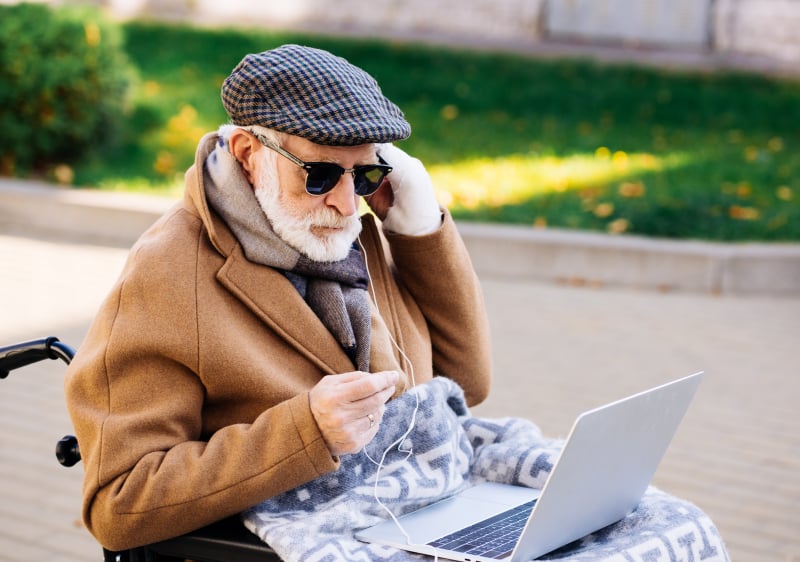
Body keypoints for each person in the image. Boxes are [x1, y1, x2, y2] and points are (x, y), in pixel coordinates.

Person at [65, 43, 492, 552]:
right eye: (319, 174)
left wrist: (420, 229)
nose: (344, 202)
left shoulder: (350, 228)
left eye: (366, 173)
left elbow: (465, 383)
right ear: (249, 154)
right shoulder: (170, 272)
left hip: (407, 518)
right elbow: (120, 502)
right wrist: (307, 430)